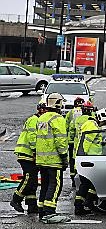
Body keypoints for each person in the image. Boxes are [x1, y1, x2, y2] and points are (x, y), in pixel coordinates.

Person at [10, 100, 48, 214]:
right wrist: (35, 152)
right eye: (46, 109)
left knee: (34, 181)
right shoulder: (34, 120)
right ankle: (16, 199)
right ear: (41, 110)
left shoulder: (39, 120)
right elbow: (32, 138)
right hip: (27, 154)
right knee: (29, 178)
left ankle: (32, 205)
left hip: (30, 155)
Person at [35, 93, 69, 221]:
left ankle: (42, 211)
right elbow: (60, 141)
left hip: (42, 160)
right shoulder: (58, 119)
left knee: (45, 185)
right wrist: (64, 157)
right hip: (54, 160)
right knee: (55, 185)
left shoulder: (42, 118)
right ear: (58, 104)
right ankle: (49, 212)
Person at [74, 108, 106, 215]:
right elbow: (86, 144)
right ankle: (85, 204)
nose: (104, 124)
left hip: (90, 160)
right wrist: (83, 159)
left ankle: (81, 205)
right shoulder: (91, 126)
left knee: (86, 185)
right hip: (88, 160)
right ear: (101, 118)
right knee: (90, 184)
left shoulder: (92, 125)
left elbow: (95, 142)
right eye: (105, 122)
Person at [66, 97, 85, 187]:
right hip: (84, 142)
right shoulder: (88, 114)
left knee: (73, 161)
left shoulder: (71, 113)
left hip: (73, 141)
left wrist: (68, 139)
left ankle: (73, 180)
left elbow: (67, 125)